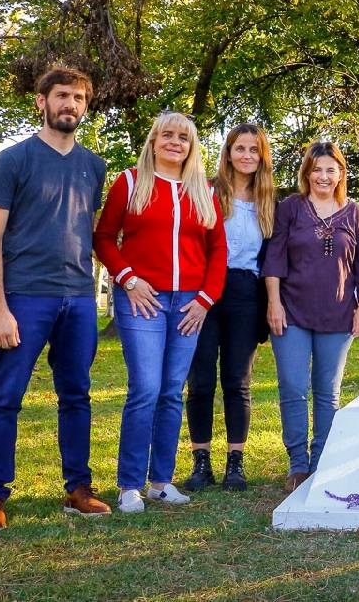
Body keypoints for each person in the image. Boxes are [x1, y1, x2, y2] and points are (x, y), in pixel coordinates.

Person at [0, 63, 111, 528]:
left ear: (85, 106)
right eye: (61, 96)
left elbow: (84, 231)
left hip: (77, 299)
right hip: (25, 297)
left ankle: (78, 488)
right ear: (42, 102)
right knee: (6, 397)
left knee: (77, 395)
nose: (69, 104)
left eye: (78, 98)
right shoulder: (14, 160)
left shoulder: (94, 166)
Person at [95, 112, 227, 513]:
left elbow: (218, 250)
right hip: (142, 299)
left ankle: (161, 482)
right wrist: (128, 279)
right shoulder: (130, 182)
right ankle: (129, 485)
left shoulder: (205, 190)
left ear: (192, 146)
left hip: (188, 302)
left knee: (171, 391)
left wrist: (205, 300)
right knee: (146, 389)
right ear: (153, 142)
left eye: (183, 137)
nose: (175, 142)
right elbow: (103, 236)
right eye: (167, 135)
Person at [262, 141, 359, 493]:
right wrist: (274, 303)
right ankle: (298, 466)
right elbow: (275, 259)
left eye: (331, 169)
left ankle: (321, 461)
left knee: (327, 392)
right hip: (291, 311)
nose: (323, 176)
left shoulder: (353, 212)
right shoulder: (291, 208)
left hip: (338, 315)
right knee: (294, 387)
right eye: (317, 169)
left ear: (340, 173)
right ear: (306, 172)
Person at [182, 124, 275, 492]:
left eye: (254, 149)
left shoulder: (270, 202)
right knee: (201, 380)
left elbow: (272, 259)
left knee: (237, 381)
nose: (247, 155)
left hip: (245, 292)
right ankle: (201, 461)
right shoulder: (206, 192)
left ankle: (235, 462)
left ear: (261, 156)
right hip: (205, 291)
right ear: (229, 152)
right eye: (240, 148)